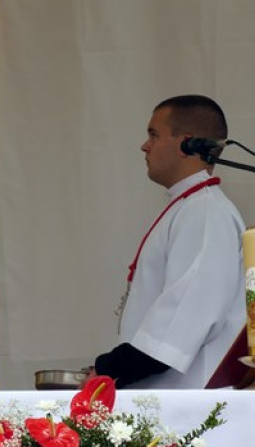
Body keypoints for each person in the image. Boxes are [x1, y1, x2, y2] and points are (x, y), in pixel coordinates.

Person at [90, 95, 246, 388]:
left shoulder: (205, 212)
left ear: (186, 143)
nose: (144, 145)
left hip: (187, 405)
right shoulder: (189, 207)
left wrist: (110, 369)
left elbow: (183, 318)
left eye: (153, 134)